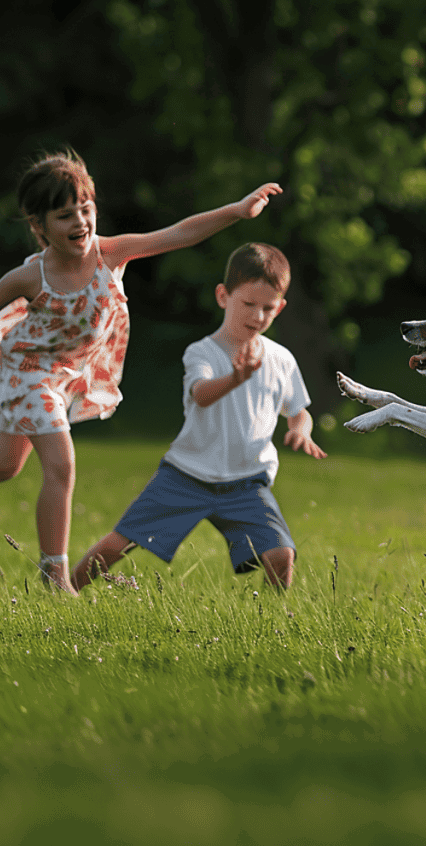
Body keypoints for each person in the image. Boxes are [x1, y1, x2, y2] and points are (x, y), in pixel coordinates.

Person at [0, 150, 282, 594]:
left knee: (2, 465)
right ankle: (54, 576)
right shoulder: (29, 277)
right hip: (27, 373)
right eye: (65, 215)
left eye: (86, 209)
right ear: (39, 225)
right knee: (62, 466)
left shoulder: (111, 254)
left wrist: (239, 211)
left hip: (64, 376)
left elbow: (179, 232)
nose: (81, 222)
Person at [71, 242, 326, 592]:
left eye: (267, 308)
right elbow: (201, 394)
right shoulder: (202, 352)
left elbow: (299, 411)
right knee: (120, 543)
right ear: (223, 296)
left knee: (281, 554)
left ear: (280, 308)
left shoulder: (281, 359)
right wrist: (236, 378)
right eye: (248, 304)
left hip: (247, 483)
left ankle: (268, 621)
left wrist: (301, 430)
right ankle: (64, 589)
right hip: (185, 477)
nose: (257, 316)